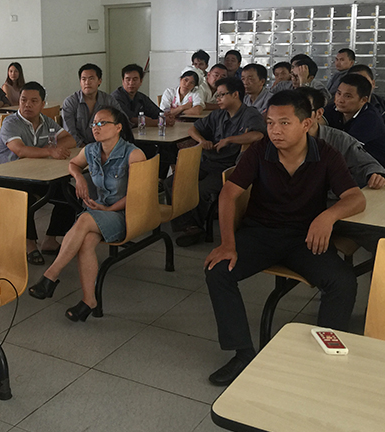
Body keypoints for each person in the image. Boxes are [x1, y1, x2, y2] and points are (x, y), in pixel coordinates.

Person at [204, 91, 365, 386]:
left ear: (306, 124)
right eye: (270, 123)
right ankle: (242, 353)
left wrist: (327, 217)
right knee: (218, 271)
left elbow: (356, 198)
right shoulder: (259, 151)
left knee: (342, 281)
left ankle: (325, 357)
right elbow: (228, 194)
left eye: (284, 123)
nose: (275, 130)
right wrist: (227, 243)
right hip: (260, 233)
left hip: (304, 238)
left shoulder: (325, 153)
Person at [27, 106, 145, 321]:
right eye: (94, 124)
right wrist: (79, 177)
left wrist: (109, 209)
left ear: (118, 127)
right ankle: (89, 301)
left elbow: (138, 195)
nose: (96, 128)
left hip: (125, 214)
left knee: (84, 219)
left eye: (102, 123)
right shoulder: (90, 150)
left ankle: (50, 276)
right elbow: (73, 163)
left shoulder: (133, 154)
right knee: (87, 241)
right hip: (98, 212)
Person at [172, 78, 265, 247]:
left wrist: (230, 139)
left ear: (235, 94)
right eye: (217, 95)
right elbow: (193, 129)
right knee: (173, 181)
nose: (218, 99)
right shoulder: (218, 114)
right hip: (208, 161)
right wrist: (201, 140)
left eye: (222, 95)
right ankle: (186, 223)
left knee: (201, 189)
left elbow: (258, 135)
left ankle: (196, 228)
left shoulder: (250, 114)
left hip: (229, 166)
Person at [0, 81, 77, 264]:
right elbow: (21, 150)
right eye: (23, 100)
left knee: (70, 195)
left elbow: (69, 139)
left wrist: (54, 147)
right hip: (8, 176)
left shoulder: (46, 121)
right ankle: (29, 244)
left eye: (33, 101)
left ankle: (50, 240)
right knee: (25, 198)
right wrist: (50, 151)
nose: (27, 105)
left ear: (42, 104)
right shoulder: (11, 122)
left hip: (36, 175)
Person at [296, 86, 385, 190]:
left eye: (304, 110)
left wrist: (375, 175)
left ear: (319, 113)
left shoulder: (339, 139)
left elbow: (367, 164)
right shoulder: (282, 140)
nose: (296, 116)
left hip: (331, 197)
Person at [324, 73, 385, 171]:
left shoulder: (370, 119)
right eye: (339, 93)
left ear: (363, 100)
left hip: (375, 170)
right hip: (350, 166)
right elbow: (316, 125)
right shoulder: (333, 109)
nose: (340, 100)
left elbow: (346, 149)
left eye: (348, 96)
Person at [62, 63, 123, 147]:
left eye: (91, 79)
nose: (87, 82)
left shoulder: (108, 100)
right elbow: (69, 133)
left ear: (99, 81)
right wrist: (85, 148)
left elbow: (121, 121)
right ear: (80, 82)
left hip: (105, 146)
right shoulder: (71, 102)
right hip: (79, 148)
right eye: (83, 79)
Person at [347, 63, 385, 142]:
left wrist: (379, 134)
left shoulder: (384, 103)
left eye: (365, 81)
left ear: (373, 84)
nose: (361, 86)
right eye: (355, 82)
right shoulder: (340, 105)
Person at [111, 63, 162, 128]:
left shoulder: (141, 97)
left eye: (135, 79)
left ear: (141, 81)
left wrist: (167, 117)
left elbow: (158, 113)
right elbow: (132, 120)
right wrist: (160, 122)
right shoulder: (116, 98)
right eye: (128, 79)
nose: (131, 83)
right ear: (123, 81)